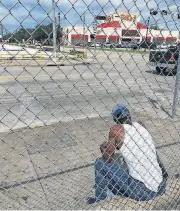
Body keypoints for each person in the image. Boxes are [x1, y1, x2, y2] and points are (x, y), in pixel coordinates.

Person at [87, 104, 168, 204]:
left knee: (100, 162)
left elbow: (108, 158)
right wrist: (165, 174)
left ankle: (100, 198)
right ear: (129, 115)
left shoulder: (116, 130)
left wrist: (103, 149)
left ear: (115, 119)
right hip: (161, 185)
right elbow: (154, 153)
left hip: (143, 191)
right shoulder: (141, 125)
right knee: (133, 158)